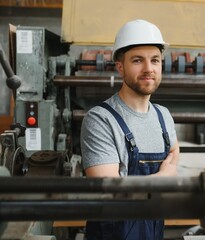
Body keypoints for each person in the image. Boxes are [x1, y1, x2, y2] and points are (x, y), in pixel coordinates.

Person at [80, 19, 180, 240]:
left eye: (155, 60)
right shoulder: (100, 120)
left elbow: (174, 154)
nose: (148, 69)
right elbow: (111, 192)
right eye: (137, 60)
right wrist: (163, 178)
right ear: (120, 66)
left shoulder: (163, 116)